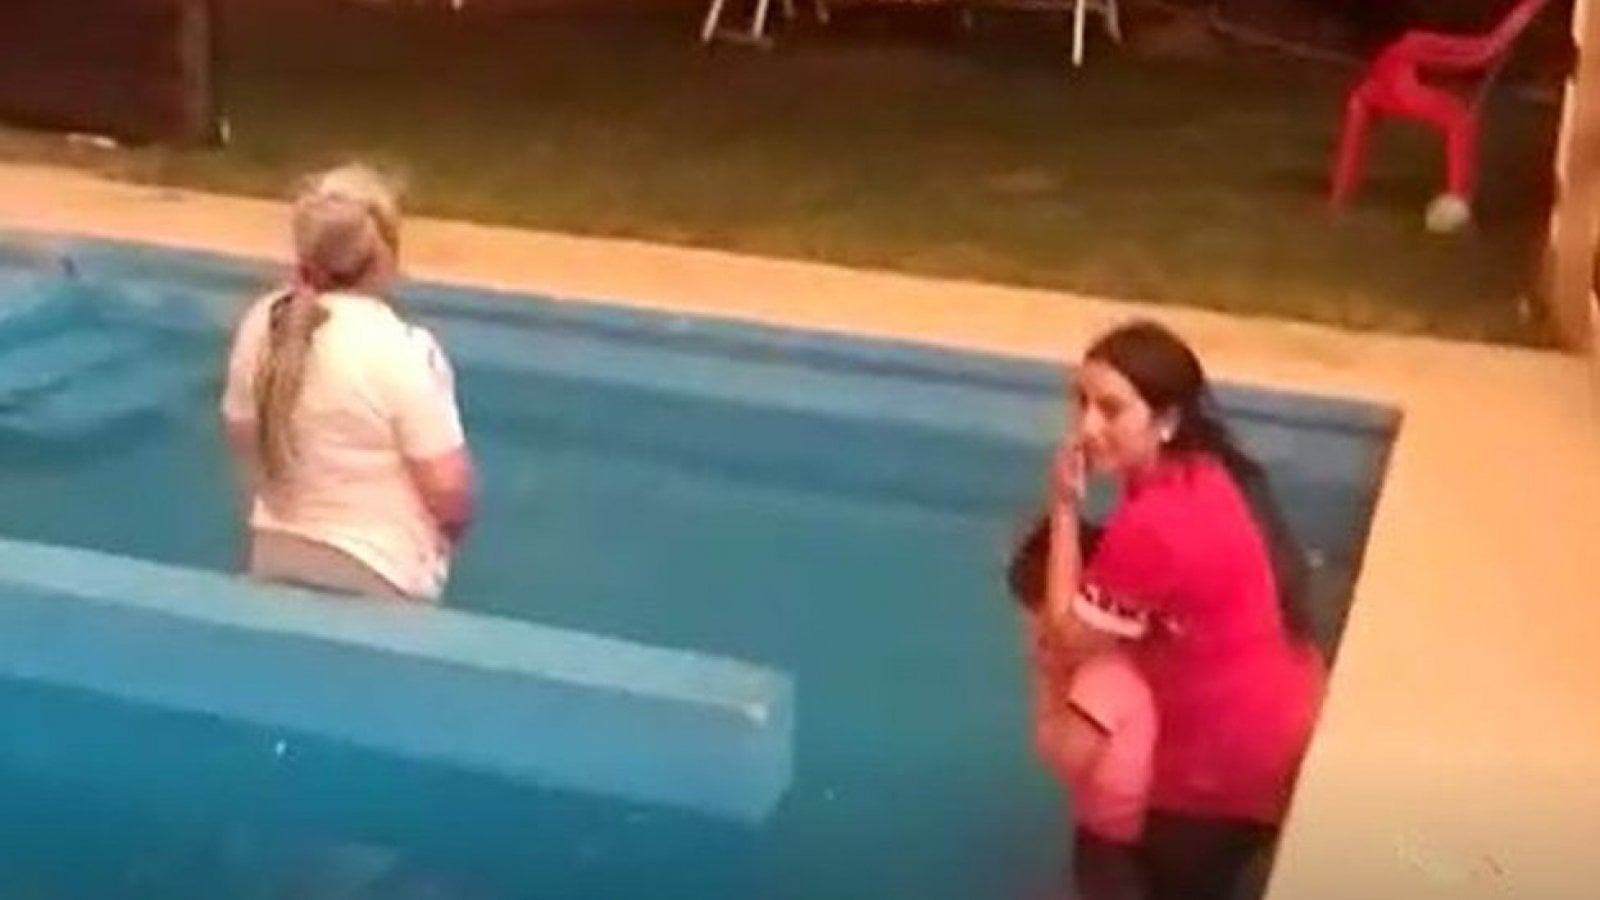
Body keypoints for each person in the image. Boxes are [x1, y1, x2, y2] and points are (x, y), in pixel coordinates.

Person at [1024, 319, 1325, 900]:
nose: (1087, 427)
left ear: (1165, 421)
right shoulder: (1205, 472)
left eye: (1111, 410)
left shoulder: (1154, 526)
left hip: (1220, 780)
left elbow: (1065, 638)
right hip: (1277, 719)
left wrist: (1063, 509)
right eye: (1081, 402)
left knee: (1101, 853)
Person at [220, 164, 476, 602]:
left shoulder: (262, 322)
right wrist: (445, 538)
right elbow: (448, 491)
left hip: (275, 556)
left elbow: (243, 436)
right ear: (384, 255)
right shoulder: (402, 349)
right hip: (381, 573)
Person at [1011, 519, 1157, 900]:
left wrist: (1046, 681)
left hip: (1118, 841)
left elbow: (1065, 756)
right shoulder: (1126, 663)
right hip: (1135, 832)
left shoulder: (1104, 679)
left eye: (1041, 620)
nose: (1035, 634)